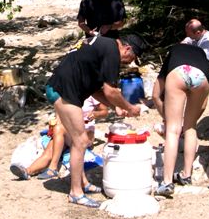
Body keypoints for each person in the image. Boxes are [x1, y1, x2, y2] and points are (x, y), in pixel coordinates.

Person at [45, 34, 146, 208]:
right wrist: (130, 107)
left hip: (64, 88)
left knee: (78, 141)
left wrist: (116, 107)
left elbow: (96, 90)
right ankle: (76, 193)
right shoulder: (112, 52)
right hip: (63, 90)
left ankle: (82, 183)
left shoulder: (103, 47)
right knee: (81, 141)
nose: (130, 63)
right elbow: (110, 91)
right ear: (127, 48)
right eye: (132, 58)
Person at [151, 43, 209, 198]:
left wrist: (167, 117)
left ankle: (167, 182)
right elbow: (203, 104)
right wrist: (191, 120)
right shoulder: (202, 56)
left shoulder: (174, 52)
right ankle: (186, 175)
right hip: (201, 77)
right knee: (191, 128)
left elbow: (156, 95)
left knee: (173, 130)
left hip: (179, 73)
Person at [9, 97, 109, 180]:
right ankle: (27, 171)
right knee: (49, 150)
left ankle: (53, 168)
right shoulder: (66, 93)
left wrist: (95, 114)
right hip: (67, 132)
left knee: (59, 130)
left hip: (85, 133)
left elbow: (105, 111)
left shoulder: (92, 94)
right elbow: (59, 115)